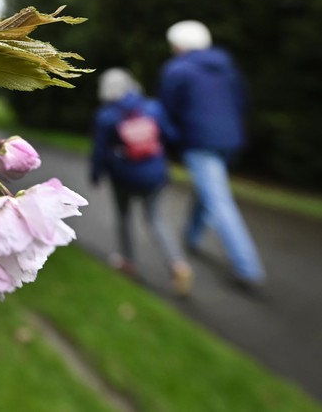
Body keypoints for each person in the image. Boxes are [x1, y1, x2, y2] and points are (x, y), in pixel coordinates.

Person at [159, 20, 265, 291]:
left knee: (218, 200)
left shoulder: (177, 69)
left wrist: (174, 140)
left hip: (200, 141)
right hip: (230, 141)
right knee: (209, 191)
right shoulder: (227, 66)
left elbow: (167, 112)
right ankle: (192, 238)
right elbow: (243, 101)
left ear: (179, 44)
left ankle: (248, 268)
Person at [91, 68, 193, 296]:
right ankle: (178, 265)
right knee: (155, 219)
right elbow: (170, 136)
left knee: (124, 217)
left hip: (124, 177)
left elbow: (99, 152)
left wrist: (96, 175)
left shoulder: (106, 116)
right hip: (156, 174)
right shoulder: (153, 107)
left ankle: (128, 261)